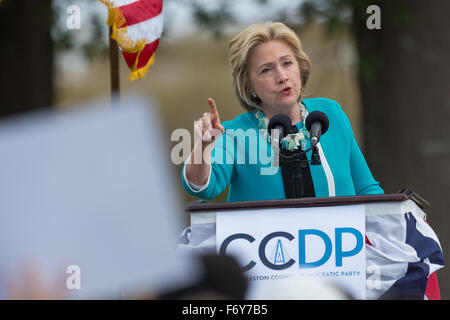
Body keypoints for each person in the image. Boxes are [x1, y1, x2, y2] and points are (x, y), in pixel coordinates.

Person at [181, 21, 383, 202]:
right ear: (249, 85)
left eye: (287, 63)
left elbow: (367, 189)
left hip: (341, 241)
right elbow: (202, 187)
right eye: (266, 70)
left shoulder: (330, 113)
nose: (282, 76)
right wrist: (204, 146)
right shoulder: (233, 133)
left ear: (300, 67)